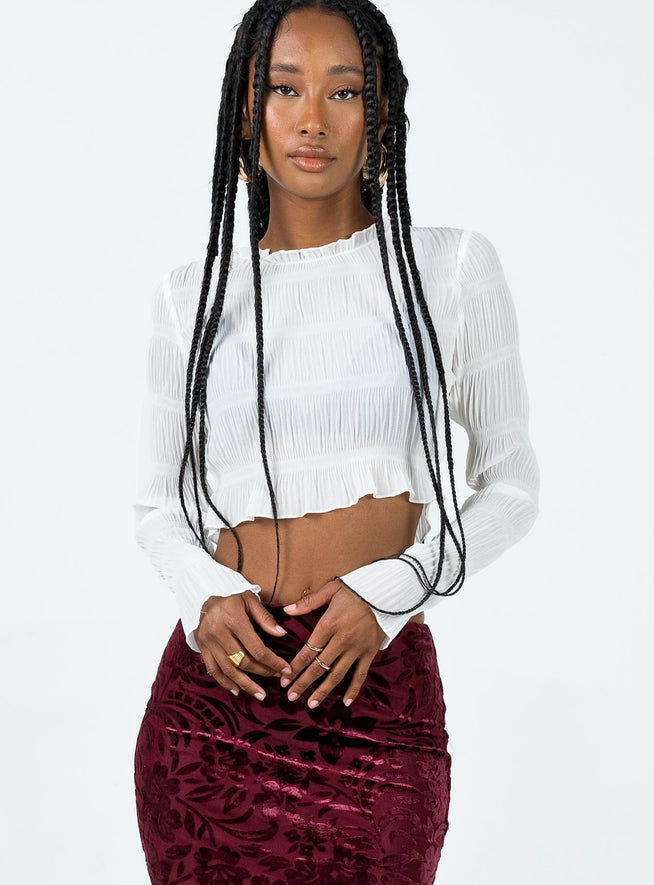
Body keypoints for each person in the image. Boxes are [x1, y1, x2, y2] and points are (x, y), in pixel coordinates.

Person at [132, 0, 539, 882]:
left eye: (345, 91)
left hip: (374, 694)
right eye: (285, 89)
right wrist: (205, 596)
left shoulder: (450, 271)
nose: (312, 119)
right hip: (214, 713)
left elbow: (511, 485)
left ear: (381, 114)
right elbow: (158, 506)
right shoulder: (191, 297)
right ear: (249, 112)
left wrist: (393, 591)